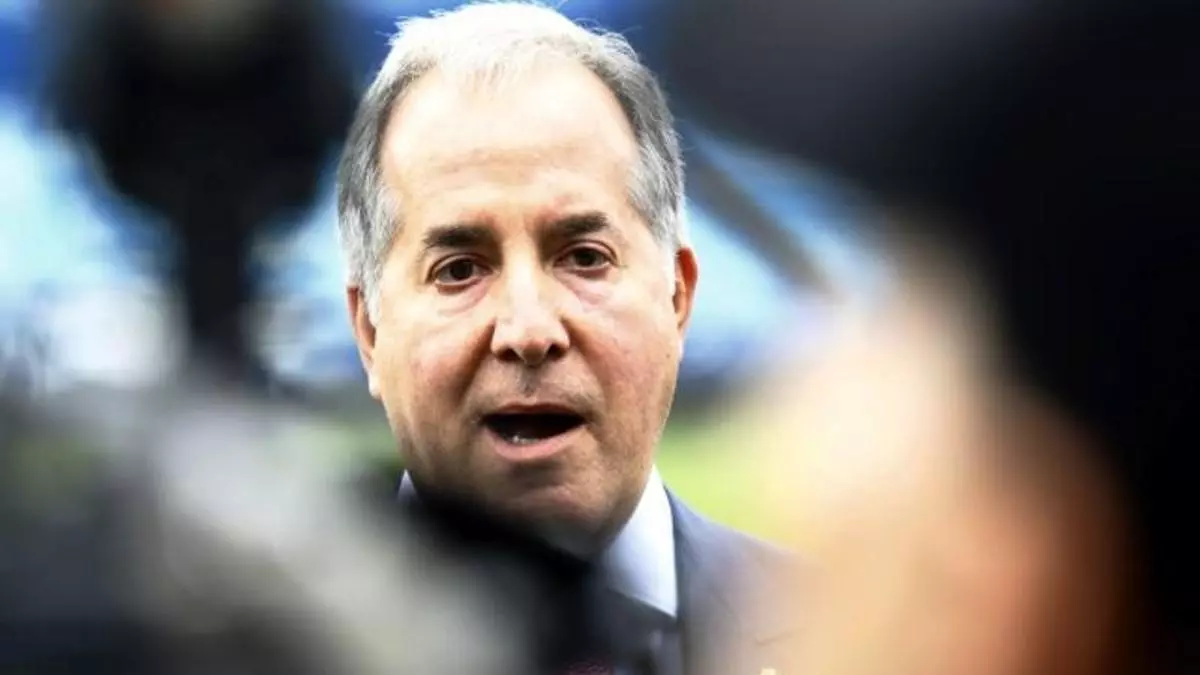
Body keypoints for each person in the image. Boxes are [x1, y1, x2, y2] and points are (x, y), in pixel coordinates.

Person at [335, 2, 803, 674]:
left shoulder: (859, 641)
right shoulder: (239, 650)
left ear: (677, 296)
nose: (529, 331)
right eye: (459, 269)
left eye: (584, 257)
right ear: (369, 330)